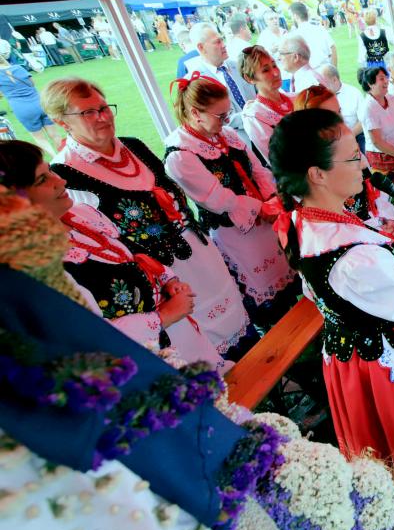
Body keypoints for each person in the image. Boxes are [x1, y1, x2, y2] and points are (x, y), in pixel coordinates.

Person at [267, 108, 394, 477]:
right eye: (353, 156)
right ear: (317, 174)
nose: (363, 163)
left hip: (352, 358)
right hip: (385, 366)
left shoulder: (300, 219)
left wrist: (377, 234)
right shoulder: (354, 258)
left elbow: (317, 290)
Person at [44, 77, 257, 360]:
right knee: (206, 347)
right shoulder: (67, 175)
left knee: (238, 326)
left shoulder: (134, 146)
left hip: (202, 256)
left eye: (104, 108)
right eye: (88, 112)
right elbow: (105, 242)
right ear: (62, 122)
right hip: (167, 281)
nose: (103, 117)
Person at [0, 139, 225, 371]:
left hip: (181, 333)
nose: (60, 181)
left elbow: (134, 252)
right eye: (42, 180)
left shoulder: (83, 215)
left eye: (50, 171)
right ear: (11, 203)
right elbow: (92, 335)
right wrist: (164, 316)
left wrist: (168, 280)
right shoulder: (42, 265)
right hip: (142, 360)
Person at [164, 74, 298, 330]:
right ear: (196, 113)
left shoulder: (226, 135)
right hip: (234, 232)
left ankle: (297, 325)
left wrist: (272, 198)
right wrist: (261, 208)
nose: (226, 121)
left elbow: (257, 169)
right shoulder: (180, 155)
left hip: (263, 221)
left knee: (285, 279)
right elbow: (217, 198)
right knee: (262, 293)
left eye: (227, 114)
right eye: (220, 115)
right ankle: (277, 336)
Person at [292, 83, 394, 235]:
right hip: (349, 237)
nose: (339, 120)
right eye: (329, 115)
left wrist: (387, 218)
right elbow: (328, 223)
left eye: (339, 112)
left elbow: (373, 187)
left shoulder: (349, 148)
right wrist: (373, 233)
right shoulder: (309, 170)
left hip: (374, 227)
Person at [184, 22, 257, 145]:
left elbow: (259, 91)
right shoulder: (196, 83)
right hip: (235, 145)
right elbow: (213, 120)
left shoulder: (240, 66)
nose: (224, 45)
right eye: (217, 42)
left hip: (263, 134)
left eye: (222, 39)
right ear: (201, 47)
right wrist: (253, 114)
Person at [0, 42, 63, 155]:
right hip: (40, 102)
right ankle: (65, 158)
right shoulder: (18, 68)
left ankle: (56, 159)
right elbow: (32, 83)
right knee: (55, 135)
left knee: (40, 138)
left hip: (22, 108)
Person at [239, 45, 295, 162]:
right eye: (265, 70)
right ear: (249, 78)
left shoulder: (295, 98)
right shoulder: (255, 116)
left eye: (274, 65)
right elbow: (278, 160)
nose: (275, 73)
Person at [360, 66, 394, 181]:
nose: (386, 81)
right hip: (381, 155)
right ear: (370, 84)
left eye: (386, 77)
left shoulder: (392, 99)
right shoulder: (368, 107)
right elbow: (377, 142)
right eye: (381, 79)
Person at [317, 62, 367, 152]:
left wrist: (349, 136)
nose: (320, 86)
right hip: (330, 139)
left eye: (323, 83)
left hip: (354, 135)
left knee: (363, 153)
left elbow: (363, 121)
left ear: (335, 80)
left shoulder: (354, 93)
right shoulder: (319, 96)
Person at [289, 1, 338, 69]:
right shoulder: (320, 29)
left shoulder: (295, 36)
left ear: (295, 16)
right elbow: (333, 48)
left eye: (291, 16)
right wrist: (334, 69)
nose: (291, 19)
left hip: (315, 71)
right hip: (326, 68)